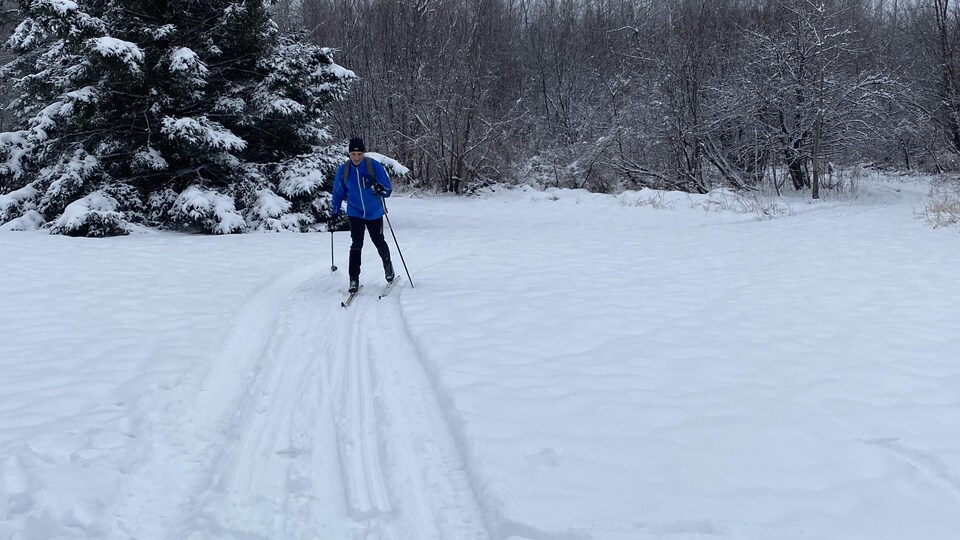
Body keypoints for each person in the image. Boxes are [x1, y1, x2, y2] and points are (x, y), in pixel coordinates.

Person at [329, 138, 394, 293]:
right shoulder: (344, 170)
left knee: (378, 241)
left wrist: (381, 190)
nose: (356, 157)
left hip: (374, 212)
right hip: (355, 212)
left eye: (359, 154)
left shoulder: (373, 166)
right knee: (356, 244)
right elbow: (337, 193)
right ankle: (353, 279)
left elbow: (388, 189)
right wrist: (334, 211)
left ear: (363, 153)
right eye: (353, 154)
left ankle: (388, 267)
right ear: (349, 154)